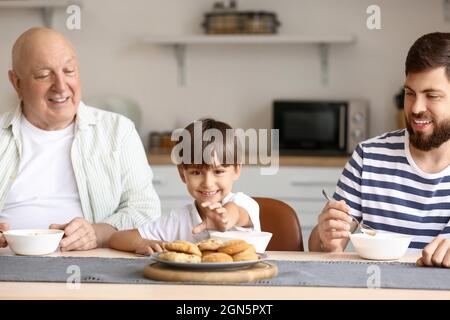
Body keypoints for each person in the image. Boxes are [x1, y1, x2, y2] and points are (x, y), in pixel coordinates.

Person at [0, 27, 161, 251]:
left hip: (95, 265)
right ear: (17, 82)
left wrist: (98, 233)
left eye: (69, 71)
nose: (61, 86)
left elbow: (145, 210)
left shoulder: (118, 131)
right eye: (44, 75)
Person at [309, 32, 450, 268]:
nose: (416, 108)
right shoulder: (369, 157)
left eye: (431, 96)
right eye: (409, 93)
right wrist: (327, 239)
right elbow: (320, 248)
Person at [109, 118, 260, 255]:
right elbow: (116, 238)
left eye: (219, 171)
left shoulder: (244, 203)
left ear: (237, 170)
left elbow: (237, 214)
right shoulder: (178, 219)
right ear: (182, 173)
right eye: (196, 172)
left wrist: (225, 219)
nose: (208, 183)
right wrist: (141, 243)